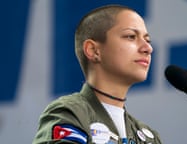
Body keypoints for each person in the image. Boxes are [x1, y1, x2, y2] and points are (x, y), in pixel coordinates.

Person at [33, 4, 162, 144]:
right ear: (93, 50)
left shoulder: (149, 137)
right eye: (131, 36)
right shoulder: (70, 113)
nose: (148, 48)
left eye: (147, 40)